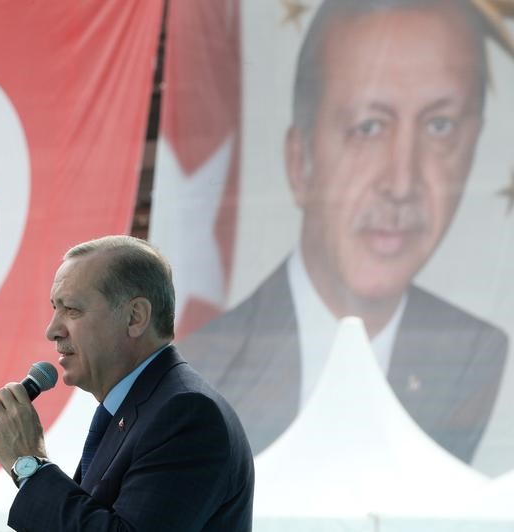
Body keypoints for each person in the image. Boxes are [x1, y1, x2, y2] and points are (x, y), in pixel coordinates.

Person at [180, 0, 508, 464]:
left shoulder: (475, 354)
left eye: (440, 126)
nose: (401, 183)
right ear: (300, 164)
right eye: (368, 127)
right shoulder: (207, 366)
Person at [0, 235, 254, 531]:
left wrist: (29, 464)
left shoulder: (187, 414)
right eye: (54, 309)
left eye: (71, 309)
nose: (53, 330)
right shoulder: (136, 408)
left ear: (135, 317)